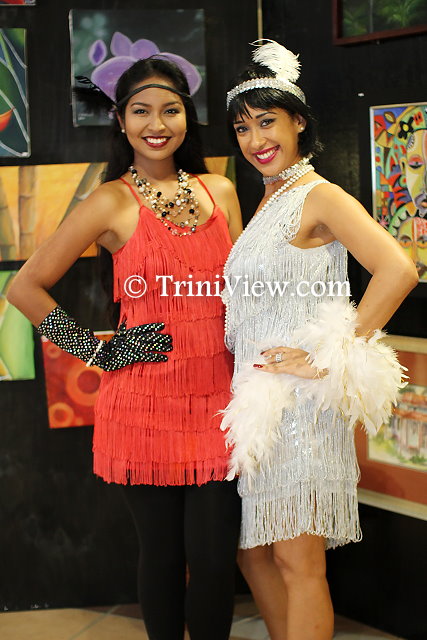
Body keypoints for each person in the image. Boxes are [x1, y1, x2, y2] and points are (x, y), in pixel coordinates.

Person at [7, 56, 243, 640]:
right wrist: (100, 353)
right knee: (162, 556)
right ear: (120, 120)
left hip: (221, 402)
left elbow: (244, 294)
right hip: (144, 406)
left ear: (188, 116)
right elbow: (24, 287)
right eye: (141, 111)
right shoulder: (109, 201)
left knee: (216, 561)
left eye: (170, 110)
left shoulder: (221, 190)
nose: (156, 124)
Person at [221, 41, 418, 640]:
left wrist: (326, 355)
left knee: (297, 562)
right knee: (256, 555)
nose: (256, 139)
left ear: (298, 122)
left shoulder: (319, 194)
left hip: (301, 410)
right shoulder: (267, 199)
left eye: (267, 122)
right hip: (258, 404)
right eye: (243, 128)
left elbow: (398, 269)